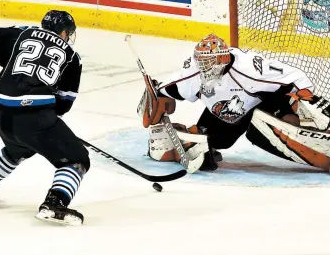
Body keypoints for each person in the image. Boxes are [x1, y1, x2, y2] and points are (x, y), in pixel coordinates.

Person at [138, 34, 330, 173]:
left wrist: (303, 103)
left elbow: (295, 78)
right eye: (201, 62)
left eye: (208, 62)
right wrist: (154, 100)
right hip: (229, 114)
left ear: (222, 58)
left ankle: (320, 150)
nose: (203, 68)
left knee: (287, 121)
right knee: (213, 141)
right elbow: (166, 91)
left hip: (264, 105)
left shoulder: (250, 70)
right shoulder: (194, 73)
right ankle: (188, 140)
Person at [0, 11, 89, 225]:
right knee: (77, 159)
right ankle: (55, 202)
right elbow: (63, 104)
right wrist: (46, 123)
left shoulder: (20, 34)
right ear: (65, 32)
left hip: (0, 113)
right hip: (34, 117)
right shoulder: (72, 57)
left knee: (20, 147)